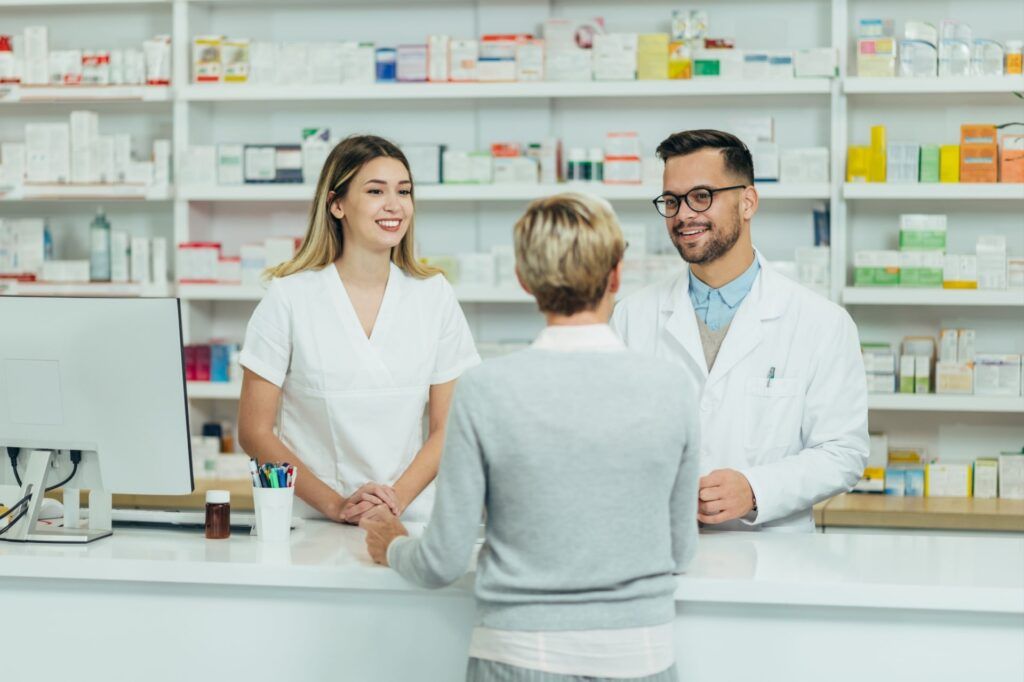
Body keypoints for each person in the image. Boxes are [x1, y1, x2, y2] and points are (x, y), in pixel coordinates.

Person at [362, 193, 700, 682]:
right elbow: (680, 551)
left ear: (524, 280)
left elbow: (443, 560)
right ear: (616, 277)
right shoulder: (672, 388)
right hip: (641, 657)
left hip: (521, 657)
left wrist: (391, 544)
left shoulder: (487, 389)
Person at [612, 129, 868, 532]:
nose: (683, 215)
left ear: (747, 202)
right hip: (658, 551)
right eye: (672, 200)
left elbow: (843, 452)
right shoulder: (632, 317)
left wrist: (755, 489)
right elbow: (611, 438)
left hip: (771, 561)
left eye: (701, 196)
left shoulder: (822, 323)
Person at [237, 134, 480, 524]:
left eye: (404, 191)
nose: (394, 205)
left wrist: (391, 502)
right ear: (336, 204)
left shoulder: (433, 296)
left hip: (408, 520)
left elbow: (448, 427)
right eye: (375, 191)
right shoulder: (289, 298)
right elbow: (254, 431)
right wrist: (337, 505)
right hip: (311, 524)